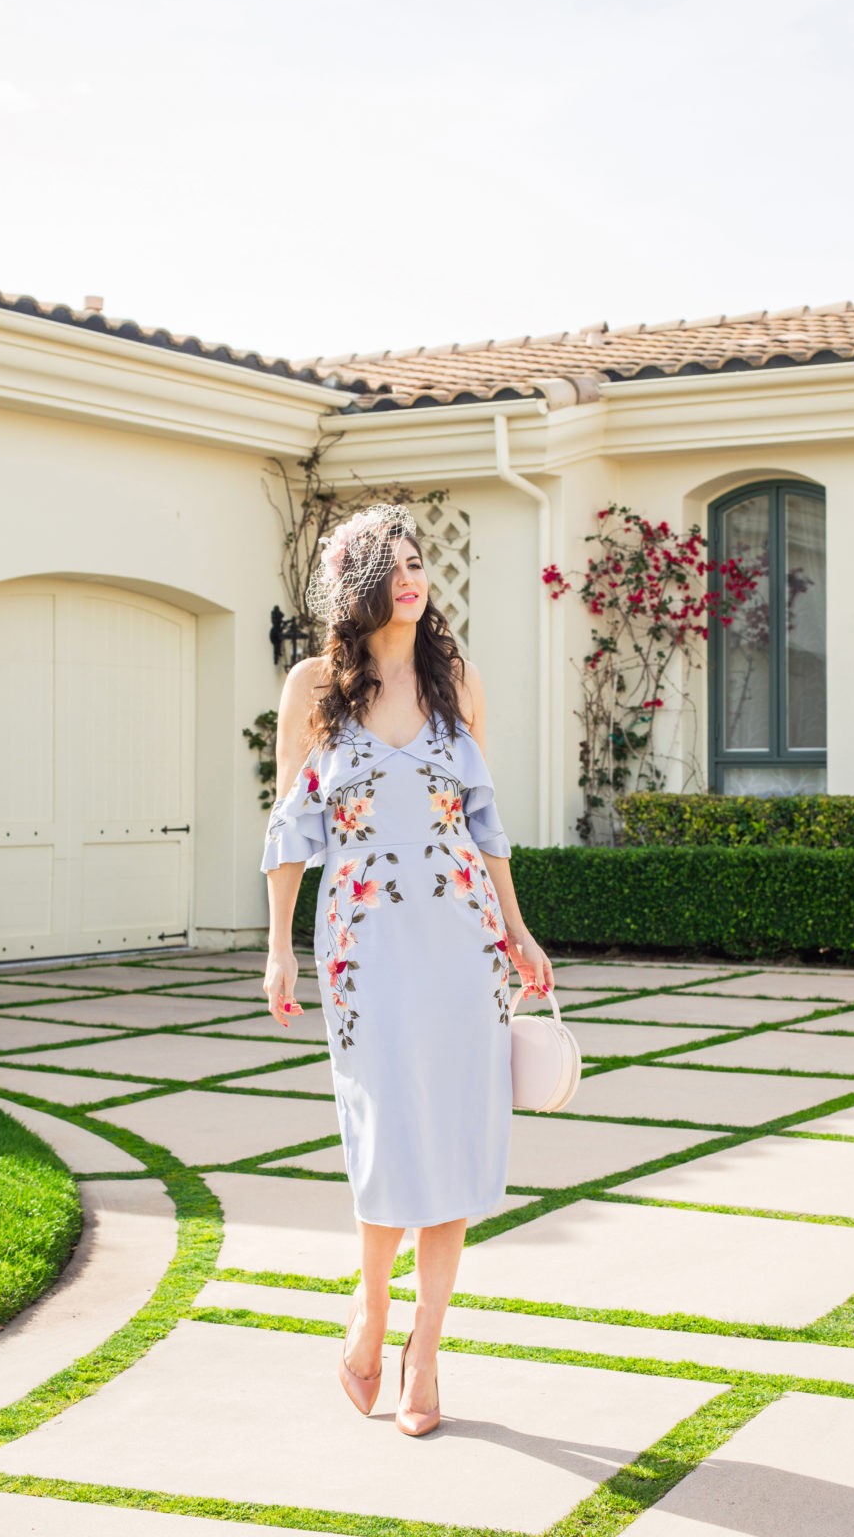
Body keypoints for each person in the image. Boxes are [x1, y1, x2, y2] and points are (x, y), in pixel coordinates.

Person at [261, 502, 554, 1436]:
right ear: (357, 583)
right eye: (393, 564)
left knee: (459, 1135)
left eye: (420, 561)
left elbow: (485, 821)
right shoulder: (313, 684)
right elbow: (288, 833)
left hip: (460, 941)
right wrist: (277, 947)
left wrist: (517, 930)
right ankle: (371, 1306)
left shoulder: (456, 681)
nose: (414, 576)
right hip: (362, 946)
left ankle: (425, 1352)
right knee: (384, 1131)